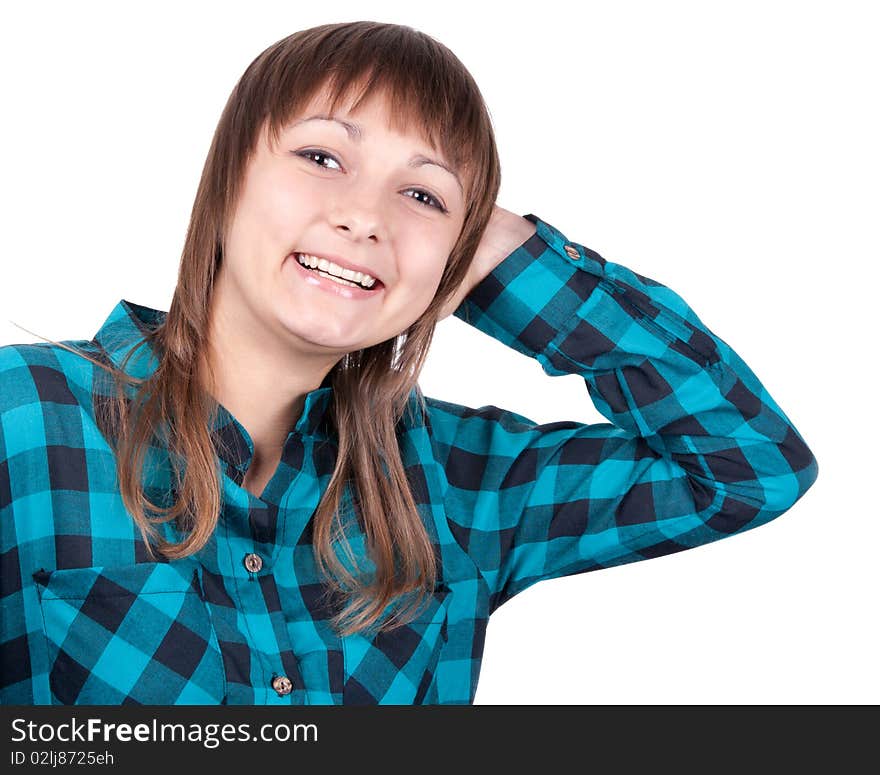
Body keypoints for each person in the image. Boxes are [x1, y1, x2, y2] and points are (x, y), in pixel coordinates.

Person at [0, 21, 818, 706]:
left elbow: (749, 469)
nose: (363, 216)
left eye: (423, 195)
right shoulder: (25, 417)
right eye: (322, 157)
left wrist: (511, 261)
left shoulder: (458, 486)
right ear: (228, 178)